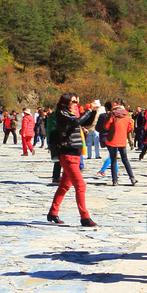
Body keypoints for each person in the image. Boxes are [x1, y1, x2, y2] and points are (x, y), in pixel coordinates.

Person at [47, 93, 99, 227]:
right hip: (67, 155)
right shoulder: (61, 113)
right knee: (80, 186)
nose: (76, 103)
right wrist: (88, 110)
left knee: (64, 186)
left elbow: (85, 122)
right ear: (66, 102)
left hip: (75, 155)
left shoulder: (70, 113)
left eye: (77, 101)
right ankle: (85, 217)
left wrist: (93, 112)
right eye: (74, 101)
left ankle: (53, 212)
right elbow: (76, 122)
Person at [101, 99, 137, 186]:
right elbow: (130, 127)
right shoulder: (127, 114)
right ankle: (132, 178)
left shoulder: (112, 113)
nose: (111, 103)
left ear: (117, 103)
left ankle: (115, 180)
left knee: (113, 160)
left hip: (112, 139)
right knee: (125, 159)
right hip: (122, 139)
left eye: (113, 102)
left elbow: (106, 126)